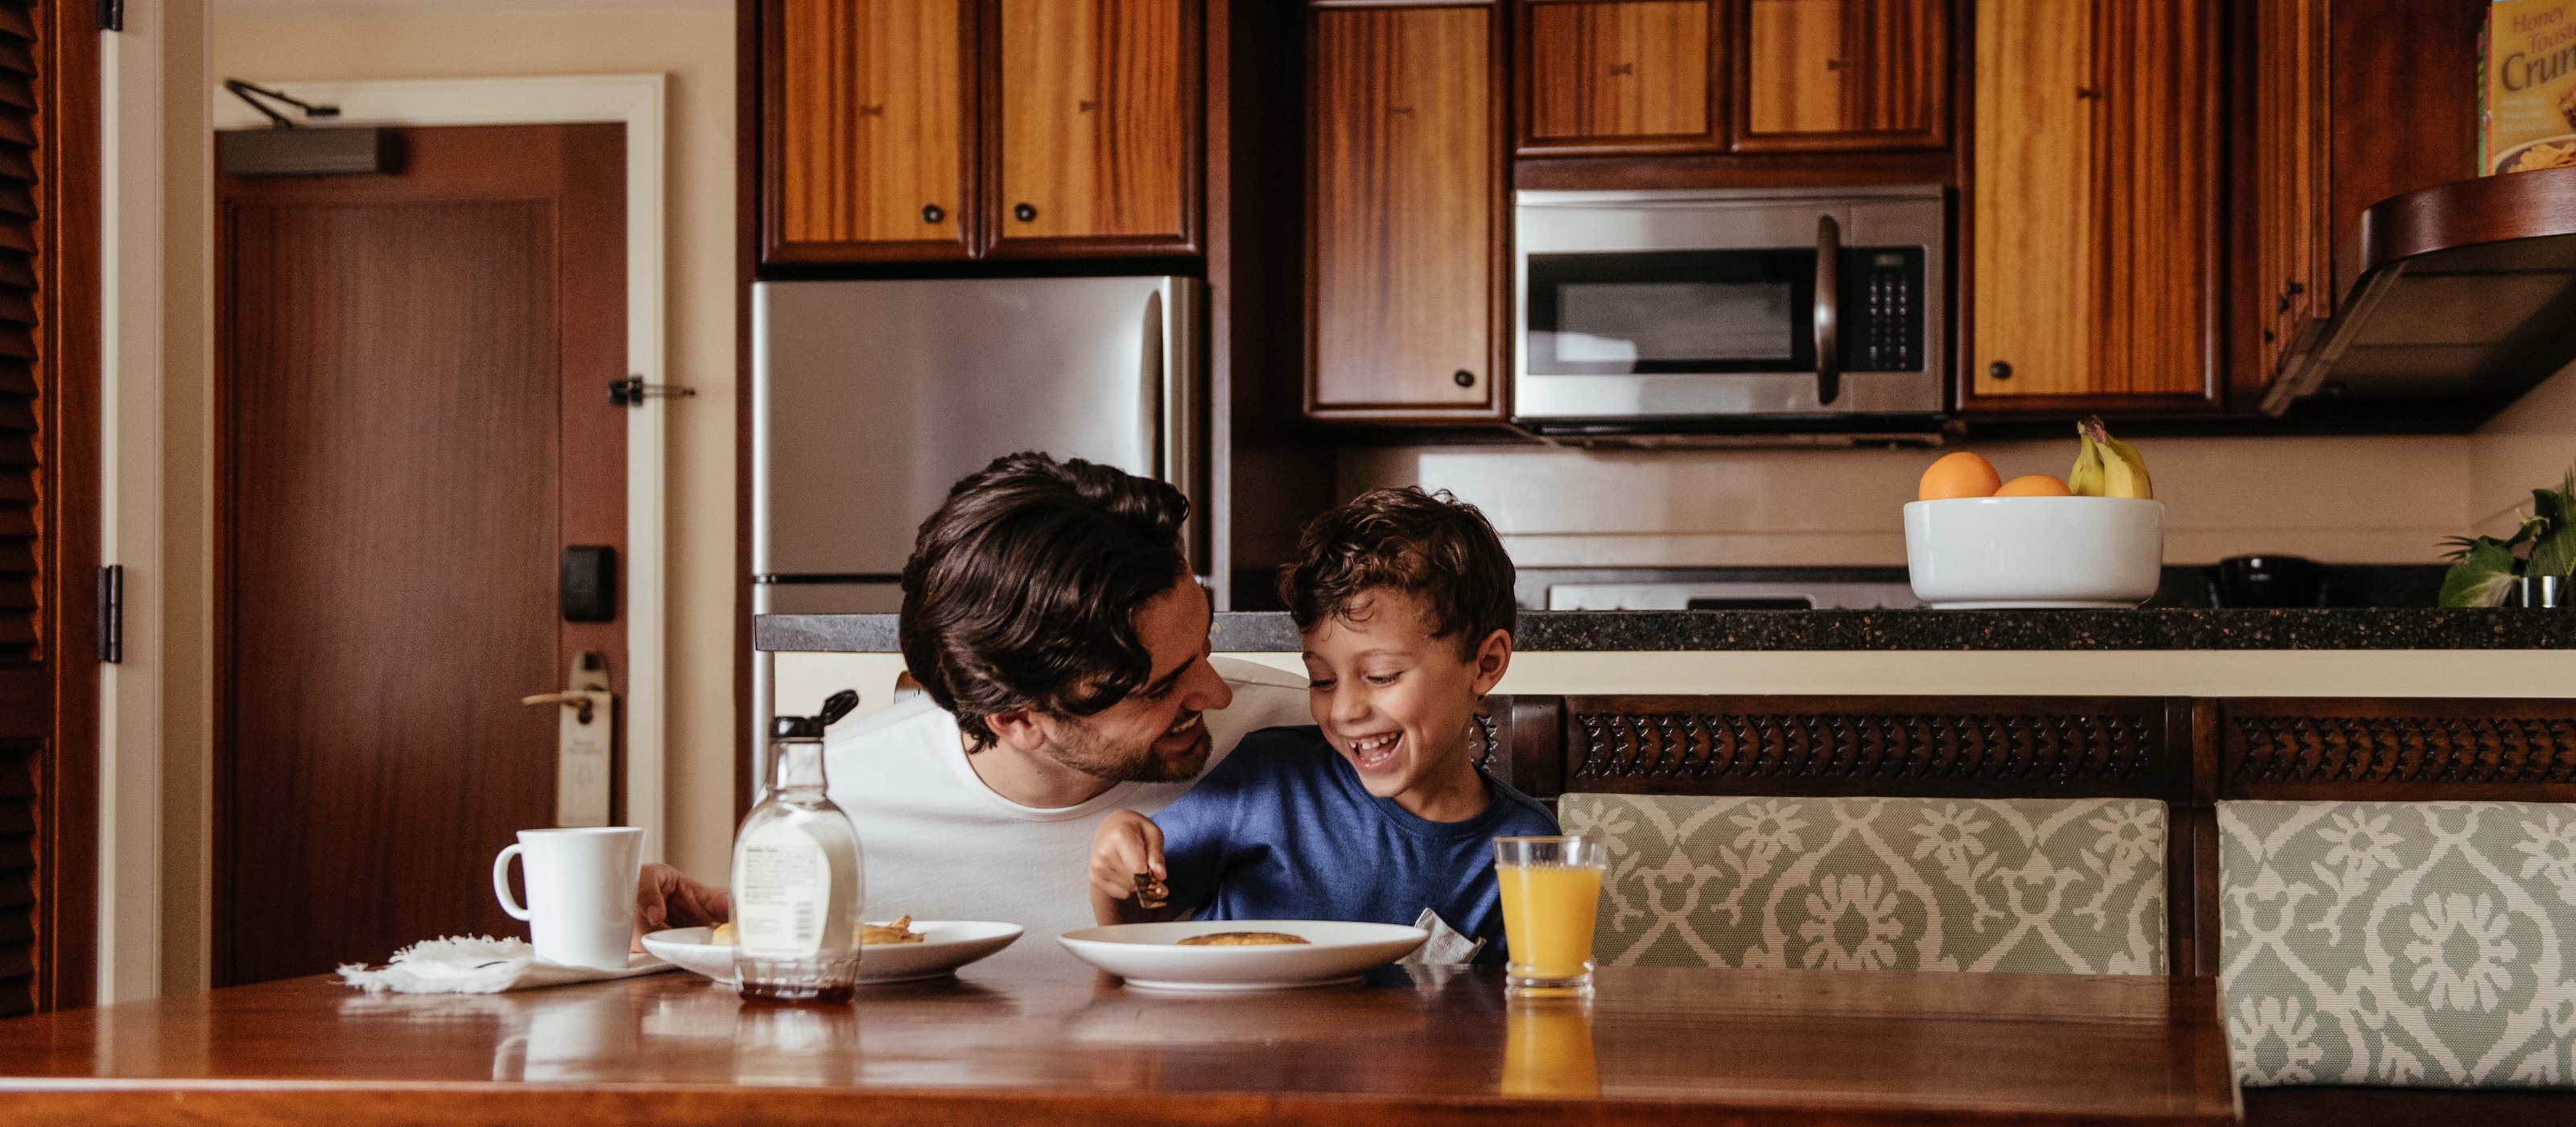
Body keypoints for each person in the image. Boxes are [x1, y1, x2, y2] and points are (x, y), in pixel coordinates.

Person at [636, 452, 1311, 968]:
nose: (1217, 694)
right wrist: (694, 939)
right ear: (1017, 720)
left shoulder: (1303, 742)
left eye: (1205, 645)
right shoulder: (837, 805)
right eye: (1161, 688)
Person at [1087, 487, 1558, 961]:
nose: (1345, 710)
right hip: (1225, 1033)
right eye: (1323, 679)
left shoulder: (1524, 846)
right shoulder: (1268, 779)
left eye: (1381, 676)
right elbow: (1138, 924)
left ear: (1486, 663)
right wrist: (1117, 864)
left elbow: (1520, 1008)